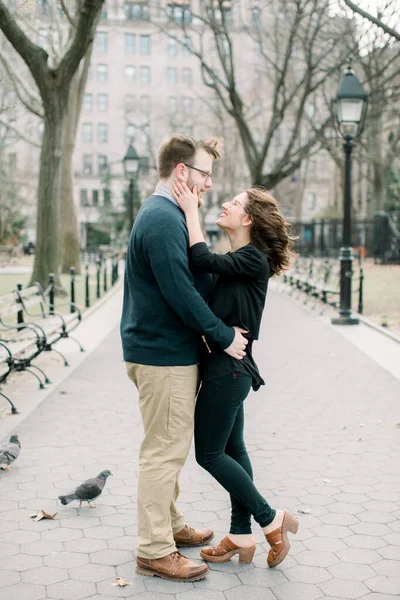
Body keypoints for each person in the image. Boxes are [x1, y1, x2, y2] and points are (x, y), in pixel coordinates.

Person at [120, 134, 249, 583]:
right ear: (181, 172)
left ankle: (169, 525)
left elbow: (196, 277)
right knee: (163, 452)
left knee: (167, 446)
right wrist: (222, 336)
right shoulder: (160, 218)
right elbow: (180, 291)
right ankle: (154, 549)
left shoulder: (172, 214)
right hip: (162, 356)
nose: (209, 184)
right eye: (204, 174)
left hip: (165, 352)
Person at [172, 179, 298, 569]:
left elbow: (200, 259)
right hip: (230, 370)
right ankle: (240, 534)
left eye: (234, 202)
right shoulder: (241, 258)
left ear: (248, 218)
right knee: (233, 450)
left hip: (228, 372)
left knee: (209, 454)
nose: (225, 203)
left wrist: (191, 210)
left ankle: (269, 518)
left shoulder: (252, 258)